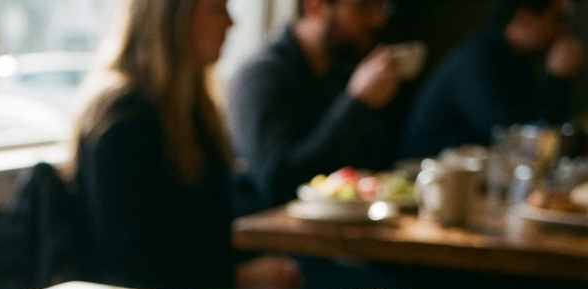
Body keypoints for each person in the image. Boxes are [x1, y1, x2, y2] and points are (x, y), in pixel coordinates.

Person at [70, 0, 302, 289]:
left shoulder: (192, 108)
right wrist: (240, 274)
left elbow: (205, 226)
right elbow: (132, 261)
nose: (232, 23)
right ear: (173, 19)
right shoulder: (122, 115)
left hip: (201, 287)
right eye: (218, 9)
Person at [227, 0, 402, 214]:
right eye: (363, 7)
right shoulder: (261, 76)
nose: (379, 20)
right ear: (316, 7)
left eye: (381, 7)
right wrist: (357, 105)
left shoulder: (344, 68)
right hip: (280, 240)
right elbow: (278, 184)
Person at [399, 0, 584, 159]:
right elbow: (508, 137)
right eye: (559, 20)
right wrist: (557, 80)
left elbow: (543, 128)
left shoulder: (519, 61)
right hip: (428, 180)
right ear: (525, 17)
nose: (564, 31)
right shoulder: (478, 58)